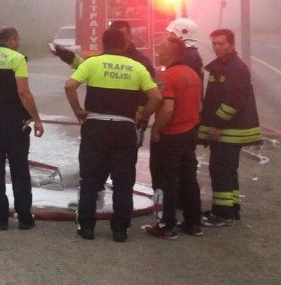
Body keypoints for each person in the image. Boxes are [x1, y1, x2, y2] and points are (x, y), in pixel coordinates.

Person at [64, 27, 162, 242]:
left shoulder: (92, 63)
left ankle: (87, 227)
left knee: (90, 179)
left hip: (95, 127)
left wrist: (78, 111)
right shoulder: (137, 67)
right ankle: (120, 230)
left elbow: (70, 86)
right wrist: (143, 117)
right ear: (125, 45)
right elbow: (156, 97)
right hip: (124, 129)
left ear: (103, 43)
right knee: (123, 181)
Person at [0, 27, 45, 231]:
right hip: (14, 121)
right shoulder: (17, 58)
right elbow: (23, 92)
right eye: (18, 39)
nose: (19, 42)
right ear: (11, 40)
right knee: (19, 169)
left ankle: (1, 219)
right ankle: (24, 219)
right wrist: (36, 118)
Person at [199, 28, 263, 227]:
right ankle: (231, 209)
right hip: (229, 130)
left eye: (221, 43)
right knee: (227, 170)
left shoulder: (235, 68)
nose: (217, 47)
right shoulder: (223, 66)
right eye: (214, 44)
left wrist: (216, 125)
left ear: (232, 45)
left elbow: (232, 102)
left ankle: (223, 214)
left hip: (229, 131)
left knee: (220, 170)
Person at [141, 37, 204, 239]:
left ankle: (165, 225)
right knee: (188, 178)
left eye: (160, 48)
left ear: (170, 53)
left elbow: (167, 108)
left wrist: (156, 129)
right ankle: (193, 223)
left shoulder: (166, 76)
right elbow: (199, 105)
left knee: (163, 180)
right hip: (189, 133)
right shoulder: (193, 75)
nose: (158, 51)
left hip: (170, 136)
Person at [166, 17, 204, 82]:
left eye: (172, 34)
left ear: (182, 35)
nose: (169, 37)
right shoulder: (191, 53)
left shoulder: (186, 56)